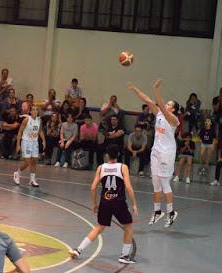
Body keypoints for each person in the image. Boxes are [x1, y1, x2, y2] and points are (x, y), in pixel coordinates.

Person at [69, 145, 138, 264]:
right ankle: (124, 255)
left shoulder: (101, 168)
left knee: (99, 227)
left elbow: (93, 187)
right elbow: (128, 186)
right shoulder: (123, 167)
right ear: (118, 155)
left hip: (105, 202)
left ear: (107, 155)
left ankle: (78, 249)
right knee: (128, 227)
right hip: (119, 202)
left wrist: (95, 203)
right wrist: (134, 204)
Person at [128, 79, 179, 228]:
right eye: (167, 103)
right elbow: (148, 100)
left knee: (164, 183)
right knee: (155, 182)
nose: (166, 105)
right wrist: (135, 89)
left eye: (170, 104)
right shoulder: (159, 114)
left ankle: (171, 212)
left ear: (174, 109)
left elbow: (160, 105)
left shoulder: (173, 119)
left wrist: (156, 89)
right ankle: (157, 211)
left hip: (167, 154)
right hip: (156, 152)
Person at [13, 106, 46, 187]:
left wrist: (44, 140)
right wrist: (18, 144)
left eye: (36, 110)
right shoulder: (26, 120)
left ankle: (32, 180)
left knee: (34, 161)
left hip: (35, 142)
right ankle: (17, 173)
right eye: (33, 110)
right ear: (30, 111)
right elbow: (20, 132)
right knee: (27, 162)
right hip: (26, 142)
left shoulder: (39, 120)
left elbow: (40, 130)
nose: (35, 111)